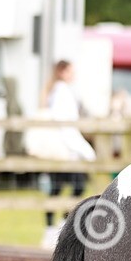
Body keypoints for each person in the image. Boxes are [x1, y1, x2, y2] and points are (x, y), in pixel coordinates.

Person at [40, 60, 93, 231]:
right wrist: (84, 149)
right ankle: (57, 225)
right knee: (74, 186)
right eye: (70, 71)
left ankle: (57, 224)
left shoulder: (59, 90)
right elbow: (65, 124)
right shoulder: (62, 91)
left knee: (58, 189)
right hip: (64, 148)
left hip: (65, 147)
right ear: (62, 72)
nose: (73, 75)